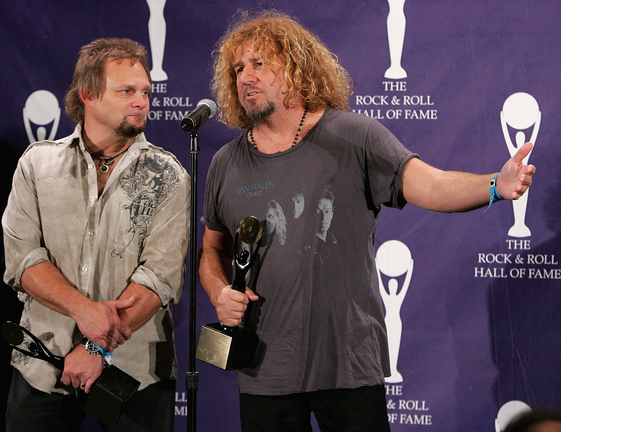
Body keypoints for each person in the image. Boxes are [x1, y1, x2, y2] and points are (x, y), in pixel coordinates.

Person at [198, 10, 535, 432]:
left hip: (349, 366)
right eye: (238, 68)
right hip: (266, 370)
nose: (246, 76)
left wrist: (494, 185)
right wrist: (217, 290)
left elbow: (430, 185)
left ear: (297, 65)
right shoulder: (226, 162)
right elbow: (213, 248)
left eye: (260, 63)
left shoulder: (355, 136)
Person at [2, 37, 190, 432]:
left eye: (145, 92)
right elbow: (23, 260)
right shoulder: (38, 165)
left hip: (134, 371)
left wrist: (94, 346)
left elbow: (159, 276)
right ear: (88, 94)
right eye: (126, 91)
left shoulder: (169, 175)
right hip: (43, 360)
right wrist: (83, 310)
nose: (141, 101)